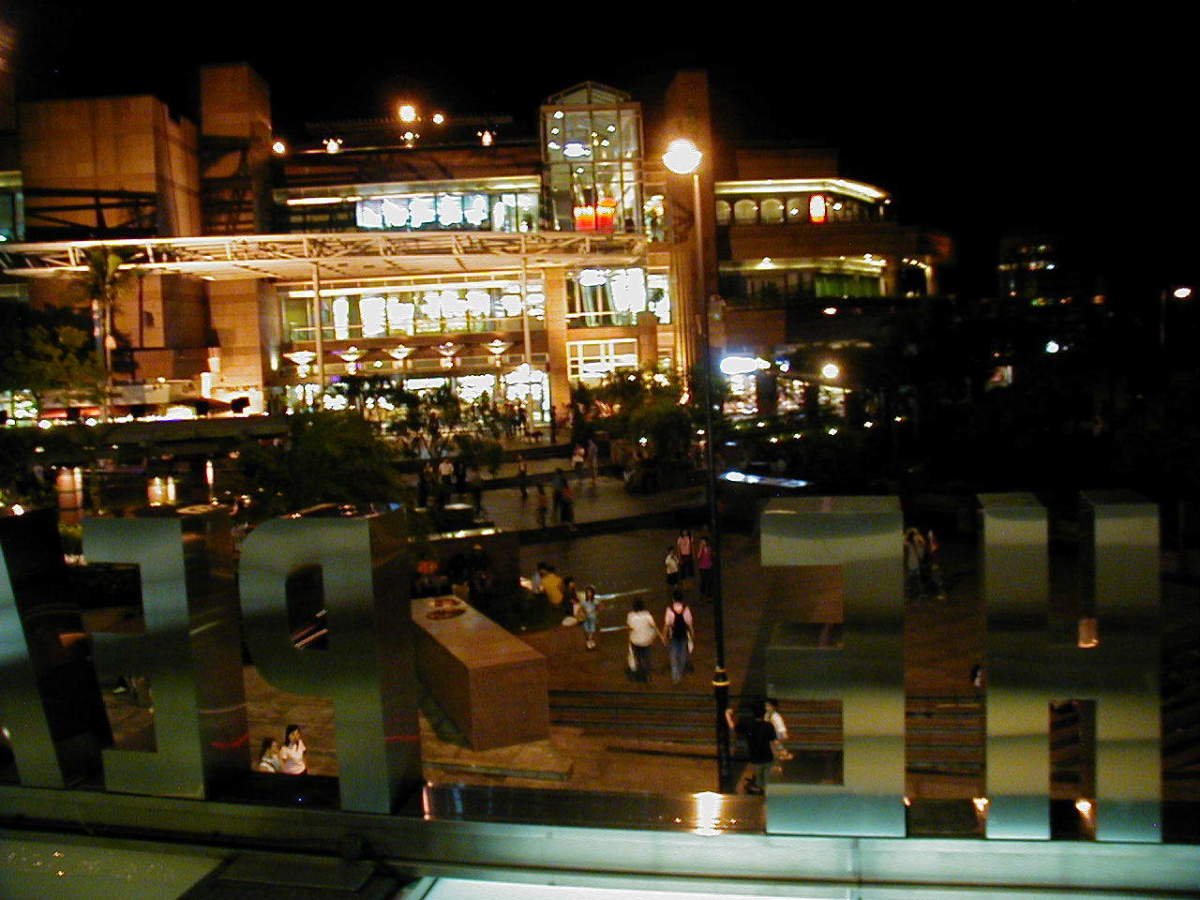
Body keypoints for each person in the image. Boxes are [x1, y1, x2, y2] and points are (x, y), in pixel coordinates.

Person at [726, 701, 776, 795]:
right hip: (768, 757)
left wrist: (727, 715)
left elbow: (732, 727)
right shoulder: (769, 726)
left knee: (759, 780)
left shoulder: (749, 725)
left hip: (755, 758)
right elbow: (772, 743)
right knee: (766, 781)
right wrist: (776, 758)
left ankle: (759, 793)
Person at [661, 590, 694, 684]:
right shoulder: (686, 609)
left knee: (673, 655)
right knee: (683, 654)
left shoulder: (669, 609)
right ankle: (680, 671)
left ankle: (675, 676)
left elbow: (667, 625)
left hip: (673, 635)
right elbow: (689, 624)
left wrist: (663, 636)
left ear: (673, 599)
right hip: (683, 635)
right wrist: (692, 634)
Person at [626, 597, 659, 683]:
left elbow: (629, 627)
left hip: (635, 641)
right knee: (647, 658)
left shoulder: (630, 616)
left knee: (638, 658)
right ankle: (647, 675)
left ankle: (639, 674)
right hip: (646, 641)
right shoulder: (647, 615)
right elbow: (654, 626)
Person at [764, 697, 793, 761]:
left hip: (775, 741)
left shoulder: (777, 717)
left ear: (773, 707)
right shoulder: (766, 715)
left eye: (769, 706)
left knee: (777, 756)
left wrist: (778, 741)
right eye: (766, 706)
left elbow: (784, 734)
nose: (767, 708)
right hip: (768, 741)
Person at [580, 585, 600, 650]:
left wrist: (596, 612)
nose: (589, 594)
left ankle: (590, 640)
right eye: (588, 592)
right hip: (586, 617)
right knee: (587, 629)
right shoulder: (584, 602)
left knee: (592, 628)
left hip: (593, 617)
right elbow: (581, 609)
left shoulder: (595, 601)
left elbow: (599, 608)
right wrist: (584, 613)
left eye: (590, 592)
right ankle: (589, 641)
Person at [696, 536, 714, 602]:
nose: (703, 543)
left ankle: (709, 595)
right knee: (703, 581)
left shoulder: (709, 548)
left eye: (704, 542)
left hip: (709, 566)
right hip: (702, 567)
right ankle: (702, 595)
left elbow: (711, 556)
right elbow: (698, 557)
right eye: (701, 542)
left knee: (710, 581)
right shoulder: (700, 549)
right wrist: (701, 549)